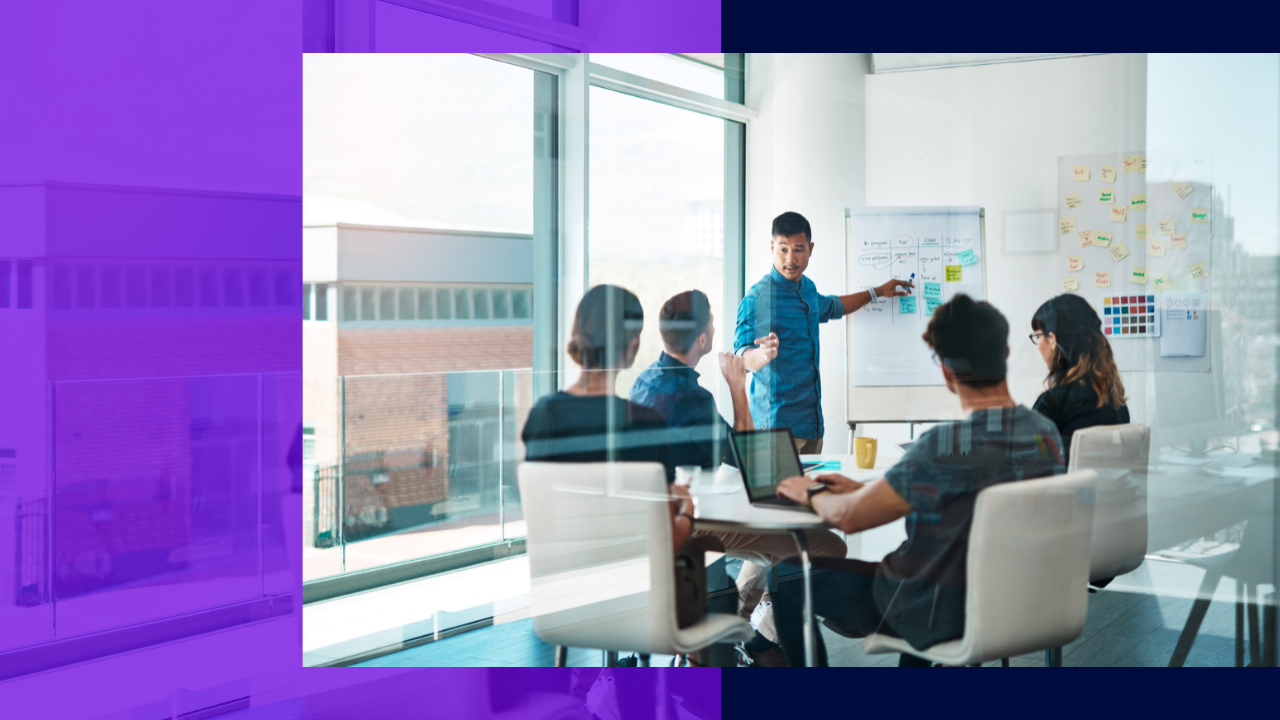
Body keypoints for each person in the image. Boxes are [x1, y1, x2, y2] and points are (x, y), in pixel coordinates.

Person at [766, 295, 1066, 666]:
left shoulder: (945, 446)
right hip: (1013, 600)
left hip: (931, 608)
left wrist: (807, 491)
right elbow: (964, 502)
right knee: (932, 564)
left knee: (783, 576)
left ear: (945, 371)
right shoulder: (1044, 432)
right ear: (1004, 352)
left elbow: (849, 518)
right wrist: (865, 491)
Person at [628, 290, 847, 665]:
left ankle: (734, 631)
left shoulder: (645, 382)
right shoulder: (689, 398)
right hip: (694, 527)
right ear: (701, 340)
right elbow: (746, 460)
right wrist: (737, 386)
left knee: (774, 546)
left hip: (657, 525)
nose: (715, 327)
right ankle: (759, 636)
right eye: (711, 322)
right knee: (827, 547)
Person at [522, 285, 696, 553]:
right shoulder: (645, 423)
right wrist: (687, 508)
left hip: (560, 585)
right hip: (634, 584)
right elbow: (667, 540)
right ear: (632, 348)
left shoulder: (543, 415)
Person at [735, 211, 914, 455]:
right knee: (779, 495)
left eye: (798, 249)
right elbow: (742, 358)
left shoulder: (807, 288)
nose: (790, 258)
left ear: (810, 249)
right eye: (783, 249)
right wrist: (762, 355)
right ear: (771, 247)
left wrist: (878, 292)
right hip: (776, 431)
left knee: (812, 493)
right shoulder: (758, 297)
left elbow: (833, 306)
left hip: (812, 427)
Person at [1030, 293, 1131, 461]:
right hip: (1109, 487)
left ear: (1053, 340)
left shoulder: (1053, 404)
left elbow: (1032, 466)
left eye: (1037, 336)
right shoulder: (1115, 400)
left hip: (1065, 488)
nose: (1037, 346)